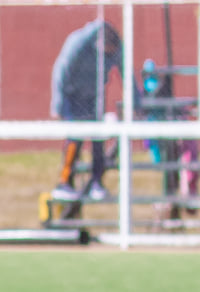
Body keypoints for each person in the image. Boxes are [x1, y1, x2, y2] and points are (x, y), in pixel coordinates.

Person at [50, 18, 121, 202]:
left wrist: (137, 104)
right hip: (71, 97)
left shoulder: (116, 48)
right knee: (75, 137)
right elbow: (61, 69)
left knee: (98, 138)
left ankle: (97, 182)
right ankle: (64, 182)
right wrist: (57, 105)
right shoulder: (79, 43)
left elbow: (126, 73)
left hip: (93, 98)